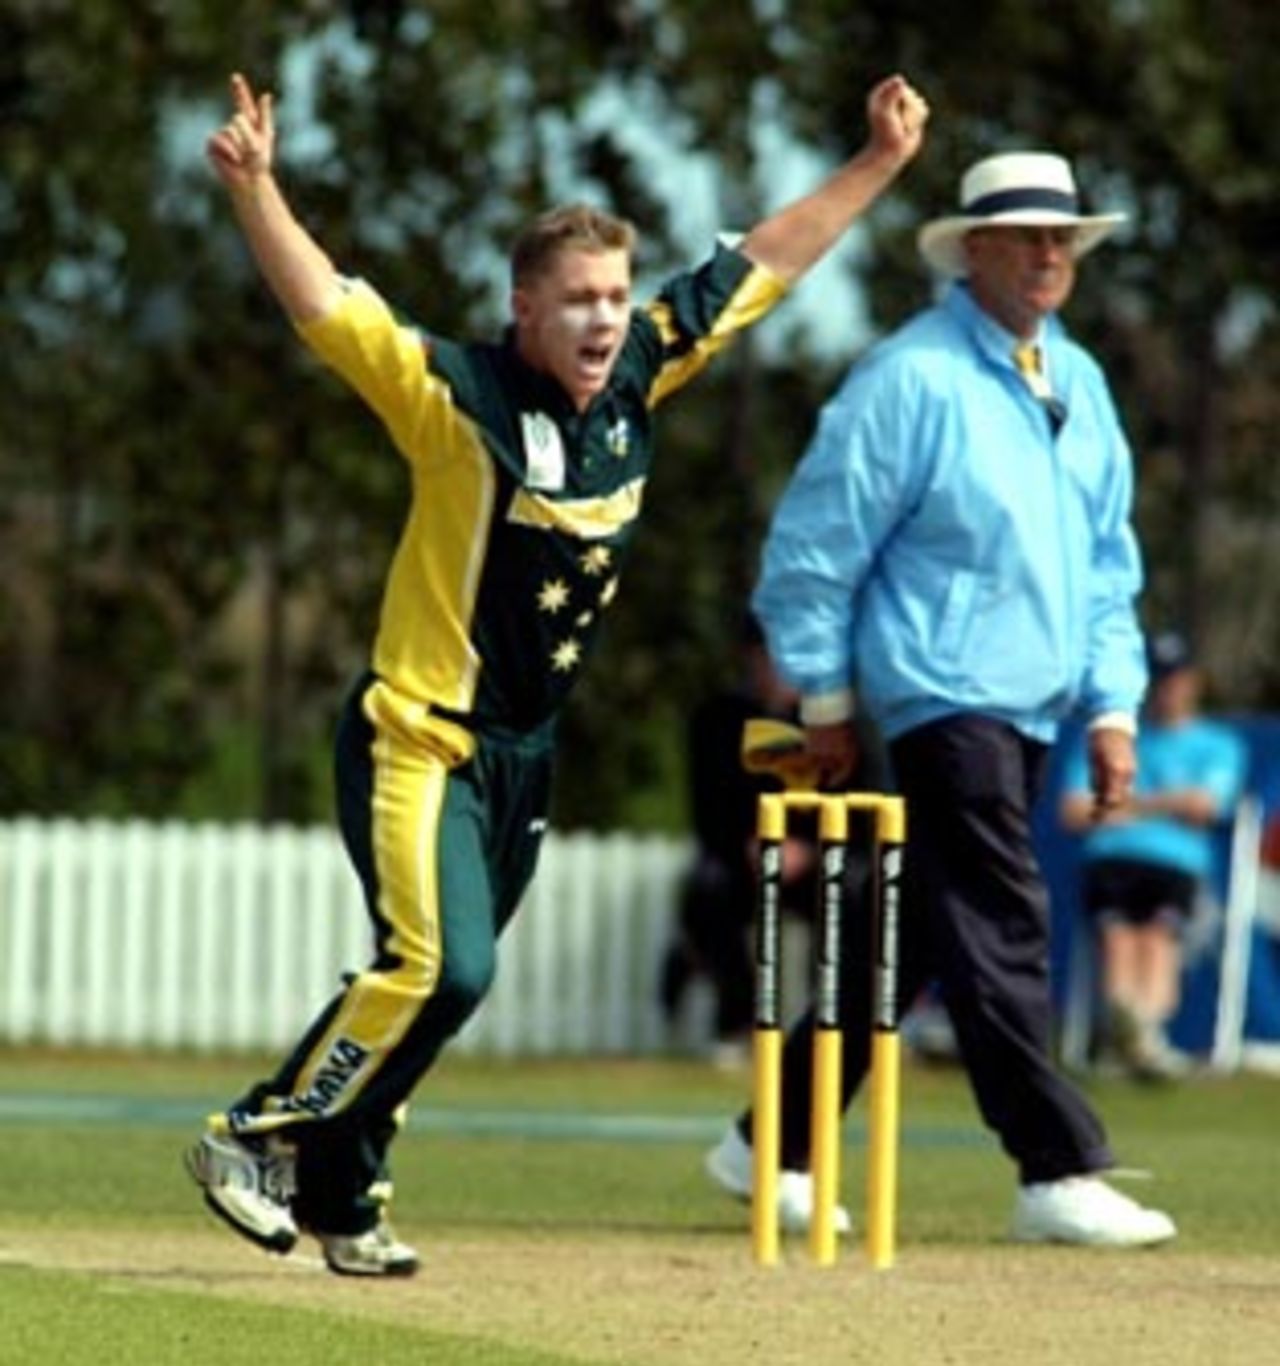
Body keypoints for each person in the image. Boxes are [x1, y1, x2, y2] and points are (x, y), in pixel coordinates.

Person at [185, 70, 929, 1276]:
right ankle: (255, 1134)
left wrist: (877, 164)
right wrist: (258, 188)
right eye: (575, 299)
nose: (599, 319)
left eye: (613, 296)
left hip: (525, 754)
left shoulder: (641, 370)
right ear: (522, 306)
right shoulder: (457, 399)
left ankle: (345, 1193)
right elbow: (327, 308)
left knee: (447, 990)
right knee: (436, 964)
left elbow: (766, 266)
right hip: (419, 735)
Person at [706, 150, 1178, 1246]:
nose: (1047, 253)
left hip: (1033, 706)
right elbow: (811, 552)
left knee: (906, 940)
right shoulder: (908, 378)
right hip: (936, 694)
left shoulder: (1082, 383)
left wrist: (1113, 709)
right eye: (1023, 235)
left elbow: (1109, 566)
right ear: (973, 250)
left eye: (1061, 235)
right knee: (1002, 914)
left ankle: (765, 1142)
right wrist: (821, 696)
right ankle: (1052, 1166)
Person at [658, 616, 887, 1063]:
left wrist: (811, 848)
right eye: (770, 658)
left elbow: (868, 810)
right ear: (751, 659)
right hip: (742, 861)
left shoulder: (846, 725)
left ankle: (829, 1024)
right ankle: (737, 1023)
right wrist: (751, 844)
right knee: (707, 889)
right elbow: (707, 810)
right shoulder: (719, 719)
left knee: (853, 889)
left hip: (822, 861)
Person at [1060, 630, 1249, 1079]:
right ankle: (1130, 1031)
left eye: (1174, 678)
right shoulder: (1114, 737)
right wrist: (1167, 803)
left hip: (1175, 865)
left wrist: (1127, 807)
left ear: (1192, 682)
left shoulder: (1218, 745)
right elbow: (1072, 811)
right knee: (1118, 935)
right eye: (1158, 679)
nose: (1167, 689)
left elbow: (1204, 807)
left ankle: (1143, 1032)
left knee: (1159, 936)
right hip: (1111, 861)